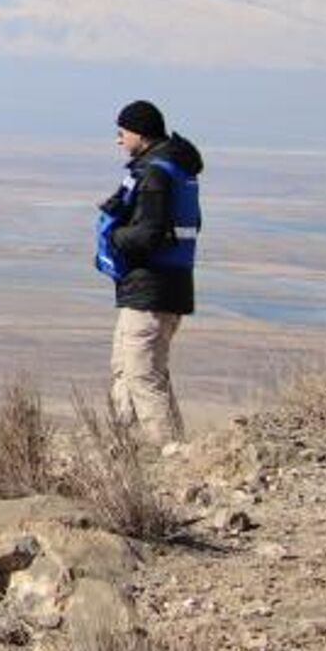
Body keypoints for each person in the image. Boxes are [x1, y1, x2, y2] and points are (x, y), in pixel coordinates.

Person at [95, 100, 203, 444]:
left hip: (151, 290)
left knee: (143, 377)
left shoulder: (155, 174)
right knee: (127, 370)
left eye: (122, 132)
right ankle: (130, 449)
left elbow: (149, 234)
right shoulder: (177, 170)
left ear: (139, 132)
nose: (118, 140)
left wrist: (113, 237)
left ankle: (169, 455)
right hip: (158, 288)